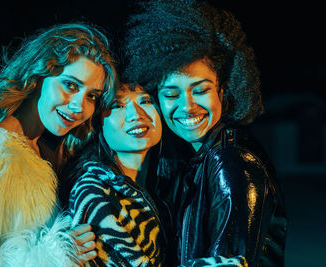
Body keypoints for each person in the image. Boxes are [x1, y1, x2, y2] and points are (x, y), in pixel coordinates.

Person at [0, 23, 117, 266]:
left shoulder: (40, 152)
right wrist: (57, 255)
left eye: (92, 96)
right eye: (70, 85)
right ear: (38, 76)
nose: (80, 107)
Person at [122, 0, 287, 266]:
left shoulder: (231, 162)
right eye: (171, 94)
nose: (187, 107)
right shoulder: (193, 156)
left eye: (200, 90)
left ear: (223, 91)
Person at [63, 83, 163, 266]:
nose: (137, 114)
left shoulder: (166, 183)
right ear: (97, 122)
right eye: (117, 105)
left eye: (145, 100)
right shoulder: (94, 192)